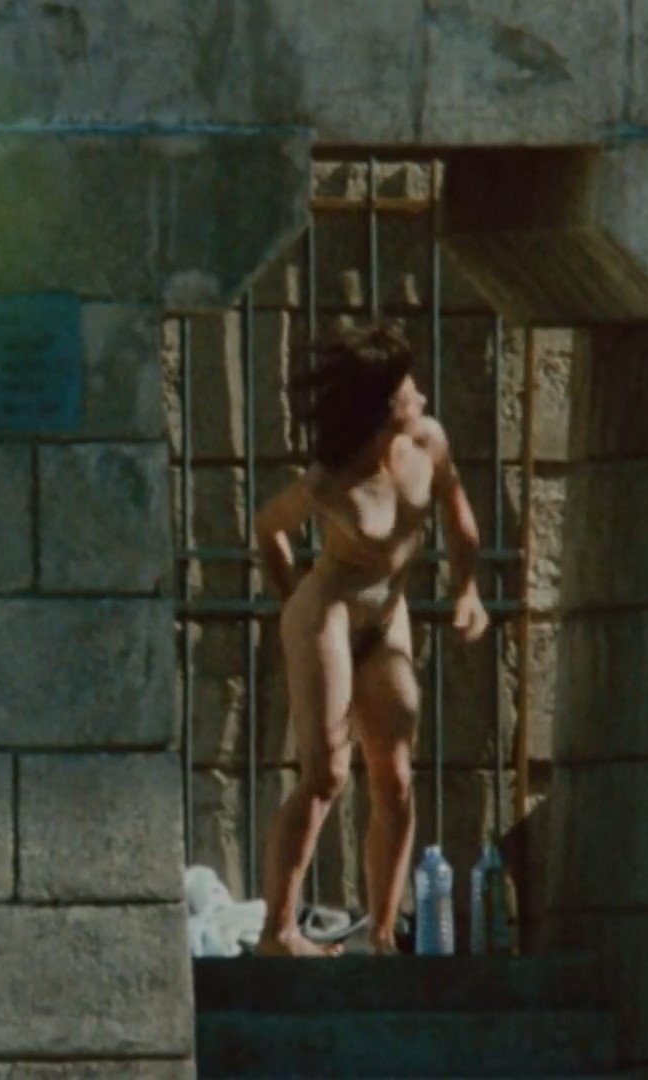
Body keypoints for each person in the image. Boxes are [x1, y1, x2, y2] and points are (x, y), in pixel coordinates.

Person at [251, 322, 487, 956]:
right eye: (408, 387)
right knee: (327, 774)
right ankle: (278, 931)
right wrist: (293, 600)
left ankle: (383, 934)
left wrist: (468, 591)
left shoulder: (429, 443)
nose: (420, 394)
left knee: (396, 780)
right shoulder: (331, 480)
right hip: (328, 611)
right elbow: (268, 529)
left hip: (387, 615)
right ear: (384, 404)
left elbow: (460, 524)